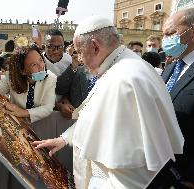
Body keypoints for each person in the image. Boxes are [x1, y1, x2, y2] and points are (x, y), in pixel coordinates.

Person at [33, 15, 184, 189]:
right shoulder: (117, 67)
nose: (79, 60)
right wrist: (64, 139)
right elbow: (96, 117)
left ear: (95, 47)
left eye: (80, 52)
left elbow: (130, 173)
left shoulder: (125, 80)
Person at [161, 8, 194, 186]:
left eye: (171, 33)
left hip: (187, 177)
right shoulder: (169, 69)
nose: (165, 41)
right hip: (159, 169)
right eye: (163, 35)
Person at [0, 44, 56, 123]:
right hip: (16, 123)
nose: (41, 66)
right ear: (23, 71)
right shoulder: (12, 78)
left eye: (40, 60)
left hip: (40, 124)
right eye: (34, 64)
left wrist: (23, 112)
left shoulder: (50, 78)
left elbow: (48, 107)